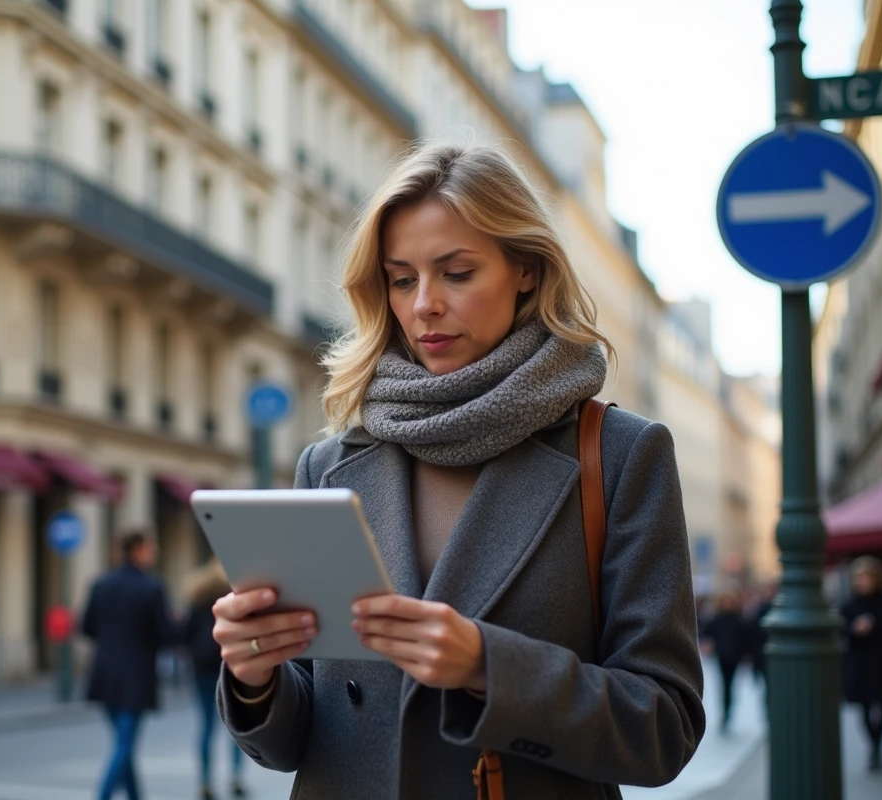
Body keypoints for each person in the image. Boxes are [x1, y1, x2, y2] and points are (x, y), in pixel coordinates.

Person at [210, 143, 706, 798]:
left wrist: (489, 666)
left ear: (525, 269)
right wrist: (255, 676)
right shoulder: (331, 464)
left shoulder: (619, 454)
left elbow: (663, 726)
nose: (424, 306)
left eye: (457, 273)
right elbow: (296, 740)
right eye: (403, 278)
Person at [80, 530, 177, 800]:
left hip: (104, 673)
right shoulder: (151, 587)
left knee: (124, 744)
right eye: (150, 547)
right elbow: (166, 635)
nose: (154, 552)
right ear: (137, 550)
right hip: (136, 675)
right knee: (124, 745)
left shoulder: (101, 584)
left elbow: (87, 627)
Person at [182, 558, 247, 800]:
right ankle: (236, 776)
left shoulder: (197, 599)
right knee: (237, 726)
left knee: (207, 727)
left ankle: (205, 781)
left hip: (202, 670)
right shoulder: (234, 594)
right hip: (229, 666)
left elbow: (184, 634)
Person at [839, 556, 882, 771]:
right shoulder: (849, 604)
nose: (864, 582)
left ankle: (878, 747)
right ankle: (874, 747)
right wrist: (855, 630)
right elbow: (841, 631)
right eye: (860, 577)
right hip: (860, 664)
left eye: (867, 577)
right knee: (864, 707)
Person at [700, 591, 750, 734]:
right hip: (722, 656)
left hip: (734, 657)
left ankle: (728, 711)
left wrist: (746, 654)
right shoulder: (717, 619)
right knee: (724, 685)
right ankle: (725, 712)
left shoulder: (739, 620)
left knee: (730, 685)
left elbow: (746, 638)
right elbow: (706, 633)